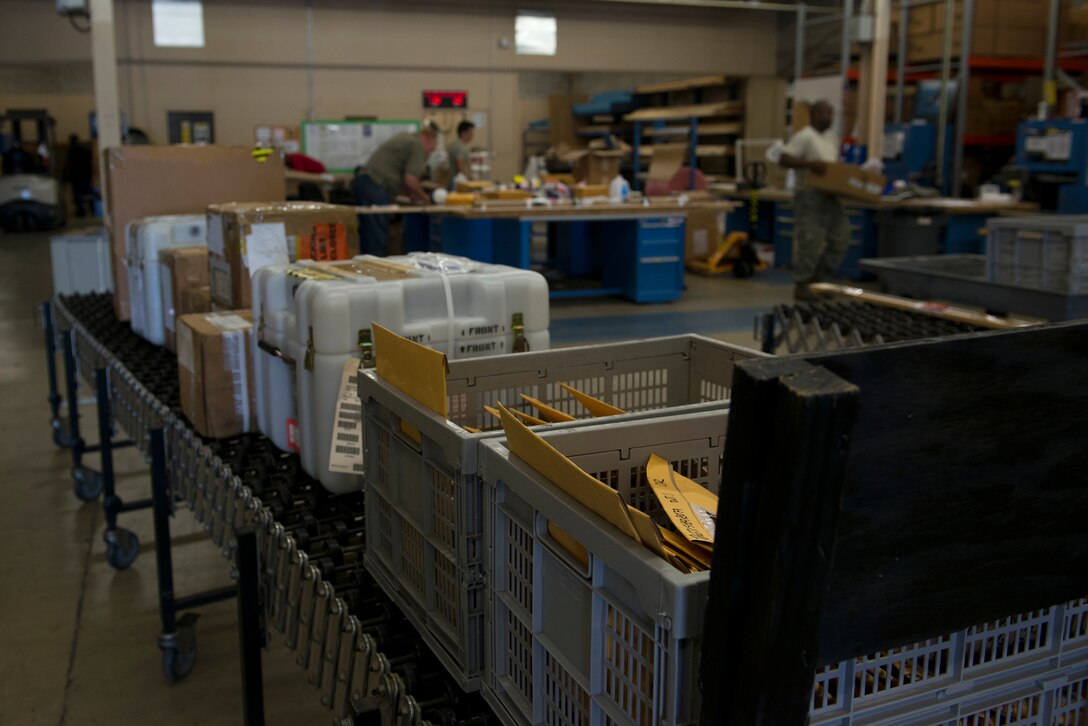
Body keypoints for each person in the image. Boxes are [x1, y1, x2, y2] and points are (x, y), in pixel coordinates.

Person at [778, 100, 851, 301]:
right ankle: (802, 284)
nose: (828, 118)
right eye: (824, 113)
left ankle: (818, 280)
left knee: (841, 238)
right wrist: (810, 164)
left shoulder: (831, 138)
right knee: (810, 241)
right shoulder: (804, 136)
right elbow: (784, 159)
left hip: (830, 196)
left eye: (831, 114)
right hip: (809, 195)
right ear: (813, 115)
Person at [351, 120, 439, 256]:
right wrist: (425, 198)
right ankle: (376, 274)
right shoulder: (417, 146)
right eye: (431, 150)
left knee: (370, 238)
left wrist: (413, 194)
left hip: (365, 183)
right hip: (376, 188)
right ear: (428, 140)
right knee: (377, 240)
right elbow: (410, 180)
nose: (428, 154)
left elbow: (402, 176)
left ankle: (368, 271)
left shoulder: (405, 137)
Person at [64, 134, 94, 218]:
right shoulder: (86, 150)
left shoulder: (72, 151)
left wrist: (66, 175)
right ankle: (93, 208)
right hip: (86, 175)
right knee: (89, 193)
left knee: (78, 194)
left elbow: (68, 164)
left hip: (76, 176)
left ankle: (81, 211)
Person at [446, 120, 475, 189]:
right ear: (463, 132)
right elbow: (460, 168)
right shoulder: (460, 147)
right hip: (458, 182)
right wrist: (471, 179)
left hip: (453, 180)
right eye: (470, 132)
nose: (472, 135)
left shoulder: (454, 144)